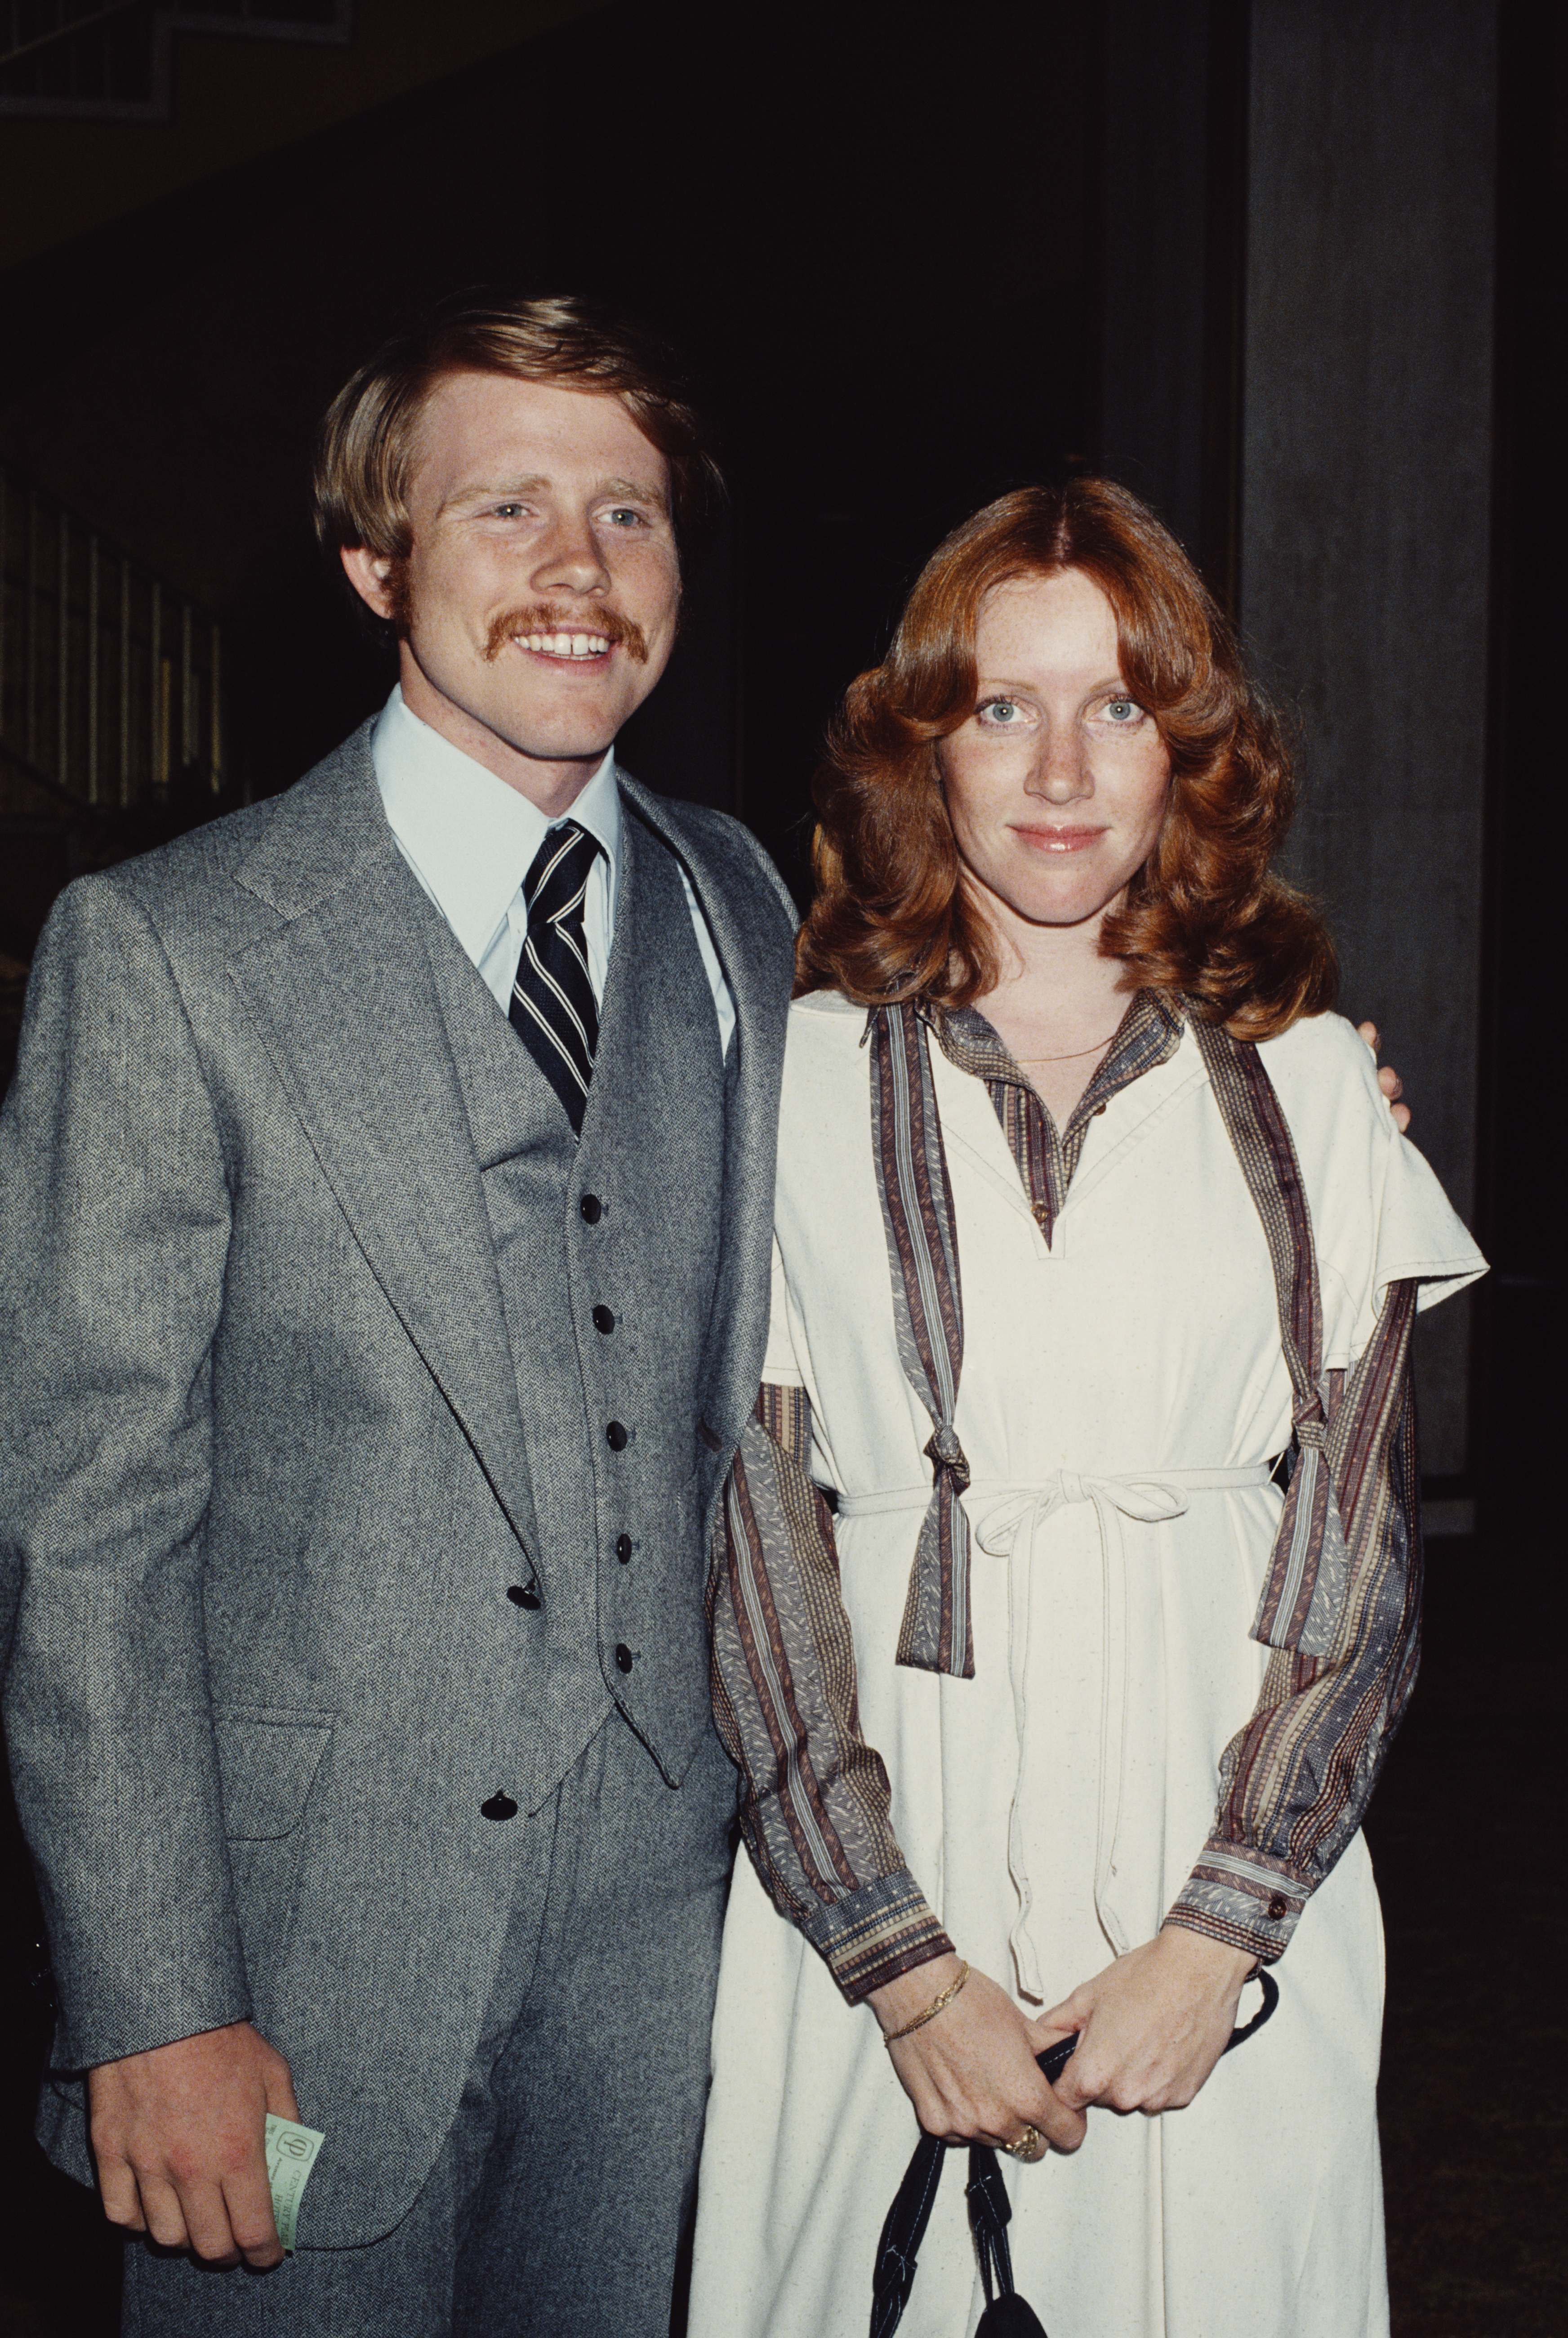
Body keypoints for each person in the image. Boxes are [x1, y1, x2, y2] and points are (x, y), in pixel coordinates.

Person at [0, 293, 797, 2337]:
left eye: (626, 516)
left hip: (672, 1957)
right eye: (503, 508)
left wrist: (1294, 1095)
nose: (576, 573)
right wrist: (156, 2001)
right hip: (290, 1959)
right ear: (376, 562)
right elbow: (81, 1523)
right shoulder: (169, 949)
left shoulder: (747, 907)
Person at [693, 480, 1482, 2338]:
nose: (1058, 767)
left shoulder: (1299, 1076)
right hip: (886, 1850)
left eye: (1115, 706)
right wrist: (894, 1964)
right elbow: (751, 1546)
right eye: (998, 707)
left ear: (1183, 752)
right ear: (922, 747)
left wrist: (1220, 1933)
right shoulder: (788, 1072)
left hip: (1215, 1849)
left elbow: (1356, 1539)